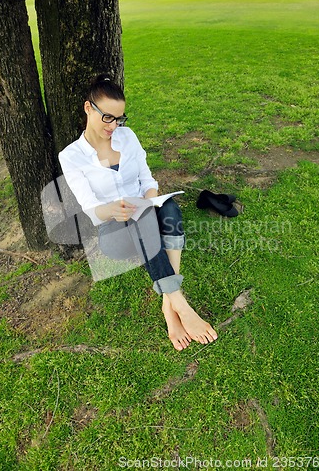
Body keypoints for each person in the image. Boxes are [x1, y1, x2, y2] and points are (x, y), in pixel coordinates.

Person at [58, 74, 218, 351]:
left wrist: (150, 201)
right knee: (139, 215)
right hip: (114, 233)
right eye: (107, 117)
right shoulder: (71, 156)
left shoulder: (127, 137)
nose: (114, 125)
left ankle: (170, 302)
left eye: (119, 118)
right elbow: (90, 209)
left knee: (166, 207)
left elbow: (147, 180)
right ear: (88, 108)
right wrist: (113, 209)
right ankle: (179, 302)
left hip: (143, 215)